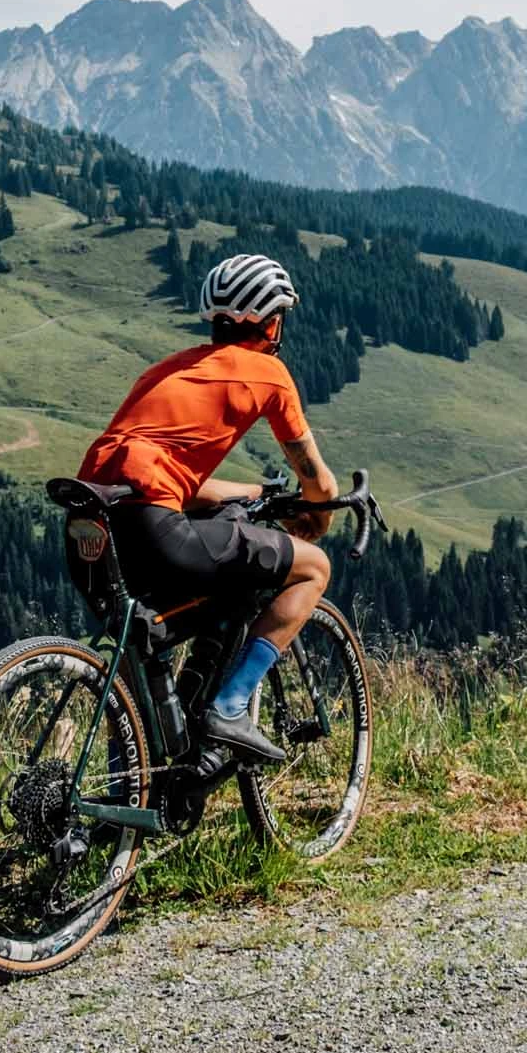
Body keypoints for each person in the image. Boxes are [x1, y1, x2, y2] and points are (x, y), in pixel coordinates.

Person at [76, 252, 338, 761]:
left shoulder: (166, 371)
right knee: (312, 569)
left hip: (92, 523)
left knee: (137, 658)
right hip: (154, 526)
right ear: (270, 321)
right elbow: (318, 482)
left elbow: (170, 480)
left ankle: (125, 793)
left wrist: (256, 493)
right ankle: (231, 708)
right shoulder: (268, 372)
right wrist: (315, 518)